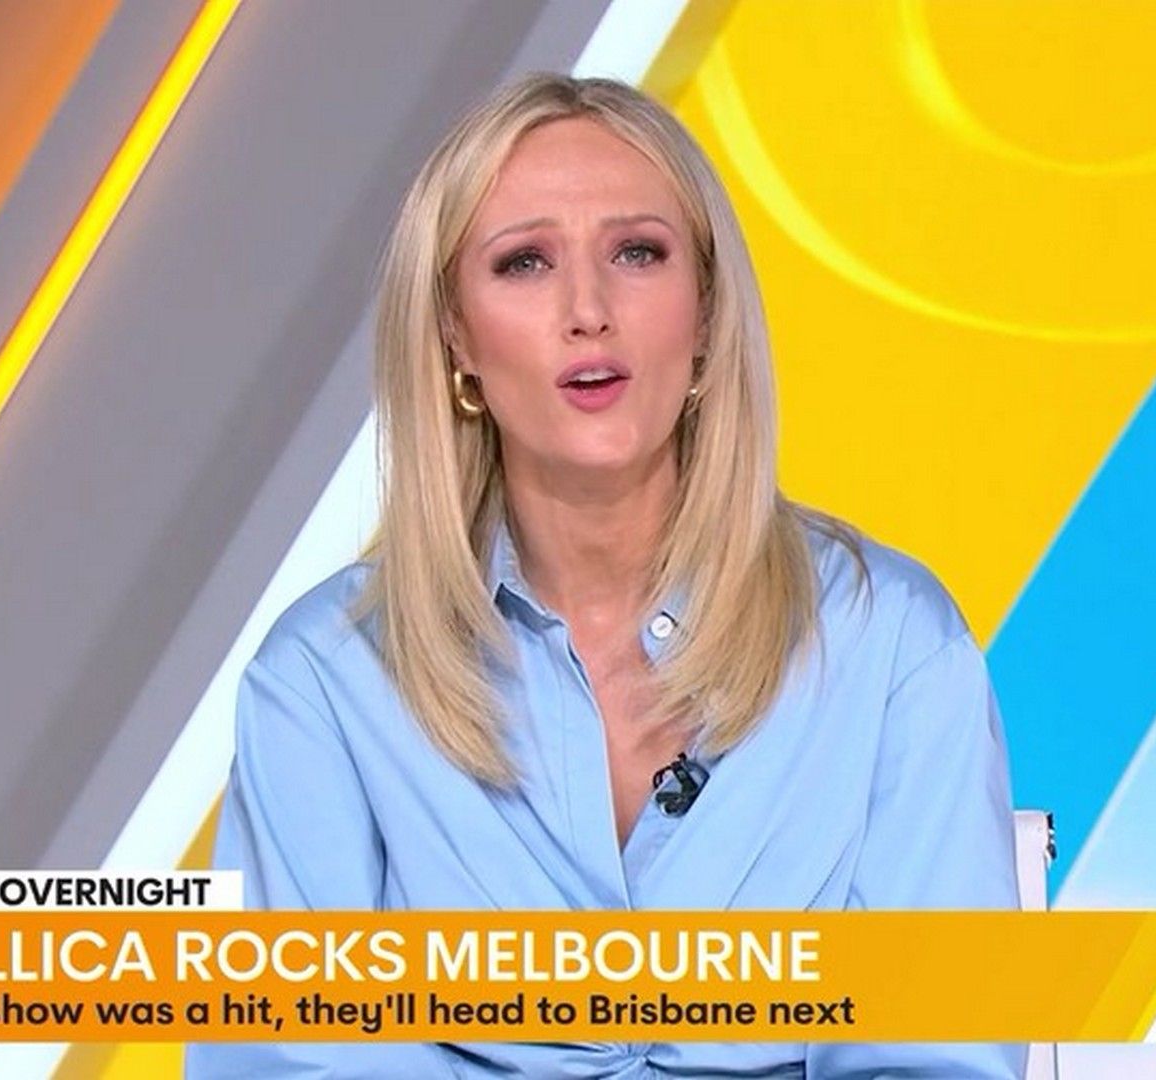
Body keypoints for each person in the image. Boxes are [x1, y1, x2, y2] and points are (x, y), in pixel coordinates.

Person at [188, 73, 1022, 1079]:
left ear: (705, 314)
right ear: (455, 336)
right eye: (524, 262)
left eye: (637, 253)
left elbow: (936, 1057)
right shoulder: (324, 682)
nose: (588, 311)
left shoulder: (891, 645)